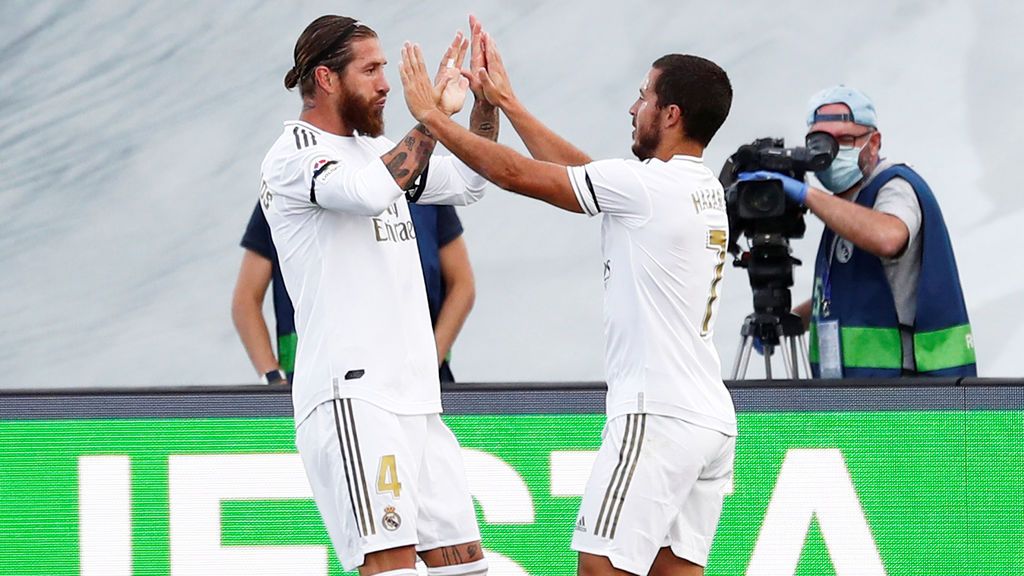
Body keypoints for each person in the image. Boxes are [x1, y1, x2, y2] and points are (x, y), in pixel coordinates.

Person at [399, 20, 735, 576]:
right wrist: (505, 103)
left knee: (598, 568)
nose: (633, 108)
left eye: (644, 97)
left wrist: (431, 116)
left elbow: (516, 175)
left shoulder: (649, 188)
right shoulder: (696, 187)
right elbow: (582, 171)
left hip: (657, 414)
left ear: (670, 114)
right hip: (708, 420)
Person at [259, 15, 497, 576]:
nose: (387, 83)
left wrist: (486, 105)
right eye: (371, 69)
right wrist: (433, 116)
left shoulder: (377, 149)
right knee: (388, 568)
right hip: (354, 398)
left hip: (416, 400)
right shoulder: (293, 154)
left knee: (466, 569)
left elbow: (468, 185)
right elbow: (368, 194)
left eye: (387, 69)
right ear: (326, 78)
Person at [738, 85, 976, 378]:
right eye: (821, 142)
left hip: (903, 395)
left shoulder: (894, 186)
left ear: (873, 142)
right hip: (858, 397)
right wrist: (793, 319)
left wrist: (807, 195)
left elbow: (889, 238)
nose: (834, 152)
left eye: (846, 139)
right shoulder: (845, 205)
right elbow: (849, 296)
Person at [231, 200, 475, 385]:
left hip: (421, 388)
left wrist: (428, 364)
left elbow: (462, 284)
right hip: (316, 389)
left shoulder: (422, 183)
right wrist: (273, 379)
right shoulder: (284, 193)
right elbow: (246, 301)